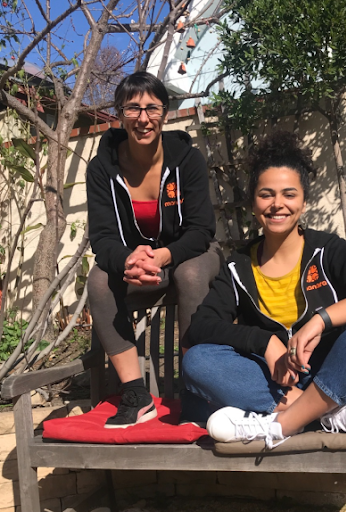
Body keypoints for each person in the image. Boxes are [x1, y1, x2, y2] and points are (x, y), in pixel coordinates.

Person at [182, 131, 346, 449]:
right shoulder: (238, 266)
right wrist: (265, 342)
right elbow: (200, 328)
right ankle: (331, 416)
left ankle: (284, 424)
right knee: (198, 360)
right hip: (279, 387)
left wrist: (321, 320)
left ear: (303, 201)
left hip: (340, 374)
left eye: (289, 194)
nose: (278, 204)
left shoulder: (326, 250)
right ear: (253, 203)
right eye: (266, 194)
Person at [86, 71, 222, 429]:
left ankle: (198, 387)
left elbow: (201, 230)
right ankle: (136, 395)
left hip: (188, 255)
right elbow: (102, 236)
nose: (143, 118)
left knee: (189, 273)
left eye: (152, 108)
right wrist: (127, 259)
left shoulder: (187, 161)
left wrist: (162, 255)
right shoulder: (102, 168)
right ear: (120, 113)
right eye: (132, 108)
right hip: (138, 265)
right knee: (99, 281)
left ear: (165, 111)